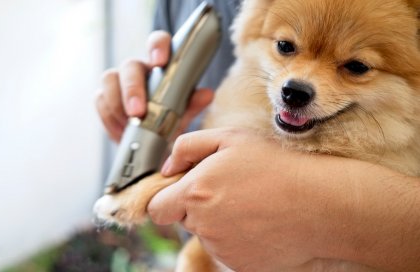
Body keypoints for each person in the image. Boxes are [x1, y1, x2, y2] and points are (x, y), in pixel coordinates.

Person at [96, 1, 420, 271]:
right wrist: (158, 132)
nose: (298, 81)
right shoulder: (184, 6)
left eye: (357, 67)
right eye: (286, 46)